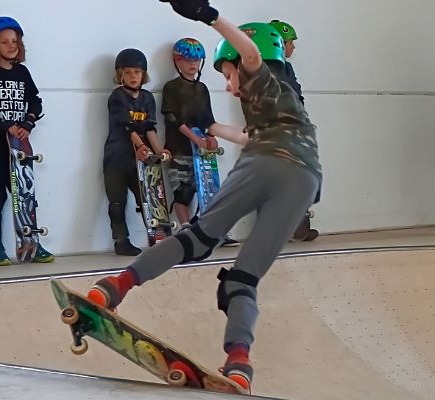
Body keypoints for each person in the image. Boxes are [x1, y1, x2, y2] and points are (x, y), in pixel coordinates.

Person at [88, 2, 321, 391]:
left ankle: (114, 287)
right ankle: (239, 364)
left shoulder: (262, 78)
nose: (230, 85)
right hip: (304, 180)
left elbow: (248, 52)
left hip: (266, 162)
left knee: (196, 239)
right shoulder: (288, 101)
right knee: (242, 280)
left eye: (228, 76)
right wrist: (211, 126)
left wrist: (207, 15)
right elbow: (248, 136)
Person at [0, 16, 54, 265]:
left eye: (14, 41)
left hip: (19, 148)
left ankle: (32, 244)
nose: (11, 45)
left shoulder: (22, 72)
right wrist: (4, 125)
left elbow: (35, 101)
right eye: (5, 42)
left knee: (24, 195)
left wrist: (27, 124)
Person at [160, 37, 239, 247]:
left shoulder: (202, 89)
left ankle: (216, 231)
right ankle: (186, 229)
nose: (192, 64)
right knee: (182, 191)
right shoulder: (172, 87)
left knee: (209, 190)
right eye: (186, 60)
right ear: (177, 61)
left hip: (201, 151)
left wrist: (210, 136)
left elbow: (208, 119)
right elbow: (172, 118)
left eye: (196, 60)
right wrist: (195, 137)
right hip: (179, 148)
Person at [104, 48, 167, 256]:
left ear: (143, 74)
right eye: (128, 72)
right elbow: (126, 127)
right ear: (120, 74)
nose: (133, 76)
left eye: (137, 72)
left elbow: (149, 127)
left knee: (148, 198)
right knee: (117, 202)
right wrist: (141, 147)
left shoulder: (147, 98)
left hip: (141, 157)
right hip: (117, 155)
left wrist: (160, 151)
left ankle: (158, 238)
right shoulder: (117, 96)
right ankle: (121, 240)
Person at [269, 19, 321, 242]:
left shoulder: (286, 68)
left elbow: (295, 95)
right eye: (290, 42)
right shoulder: (267, 68)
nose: (293, 47)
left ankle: (298, 227)